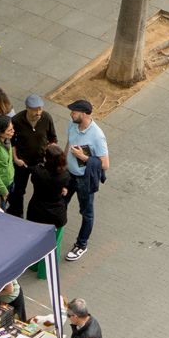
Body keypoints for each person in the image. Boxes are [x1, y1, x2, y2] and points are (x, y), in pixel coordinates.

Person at [63, 100, 109, 263]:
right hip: (69, 174)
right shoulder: (72, 124)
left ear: (83, 114)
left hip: (84, 179)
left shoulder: (97, 135)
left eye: (74, 112)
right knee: (60, 203)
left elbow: (105, 164)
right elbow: (68, 142)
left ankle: (81, 244)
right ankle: (54, 234)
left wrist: (82, 157)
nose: (71, 114)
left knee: (86, 213)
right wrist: (63, 161)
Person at [7, 94, 58, 217]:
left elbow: (53, 139)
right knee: (18, 191)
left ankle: (35, 216)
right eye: (35, 109)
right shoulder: (17, 120)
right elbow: (12, 141)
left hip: (40, 163)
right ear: (27, 109)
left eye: (40, 109)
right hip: (22, 162)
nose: (39, 112)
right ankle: (16, 214)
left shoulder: (46, 118)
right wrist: (15, 158)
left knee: (40, 191)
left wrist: (49, 155)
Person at [26, 143, 70, 277]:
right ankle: (45, 272)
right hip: (56, 214)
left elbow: (34, 177)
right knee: (53, 244)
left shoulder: (38, 172)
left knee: (35, 241)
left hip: (37, 211)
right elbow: (62, 189)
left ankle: (32, 265)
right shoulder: (64, 175)